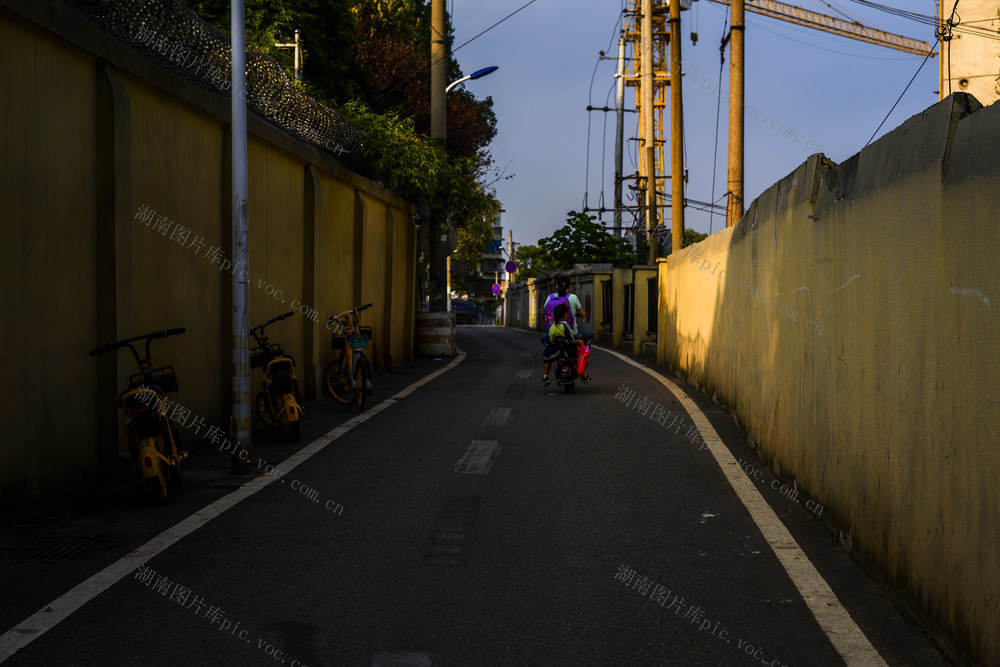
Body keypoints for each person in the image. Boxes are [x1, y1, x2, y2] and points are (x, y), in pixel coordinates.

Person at [541, 276, 594, 381]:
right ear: (569, 287)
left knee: (543, 338)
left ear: (556, 286)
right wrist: (585, 314)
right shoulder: (573, 297)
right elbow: (582, 314)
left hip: (554, 334)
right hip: (572, 333)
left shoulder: (550, 297)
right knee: (591, 334)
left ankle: (557, 353)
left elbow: (543, 313)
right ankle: (582, 356)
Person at [541, 303, 577, 387]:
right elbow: (570, 340)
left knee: (547, 359)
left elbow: (550, 338)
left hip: (554, 349)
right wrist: (578, 341)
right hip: (566, 350)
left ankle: (545, 377)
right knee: (576, 355)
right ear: (565, 314)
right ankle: (582, 374)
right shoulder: (565, 325)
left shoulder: (552, 326)